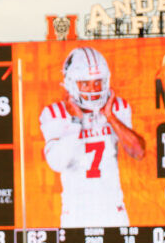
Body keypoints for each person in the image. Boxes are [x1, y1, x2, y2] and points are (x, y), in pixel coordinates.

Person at [40, 46, 145, 229]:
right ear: (72, 83)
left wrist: (110, 117)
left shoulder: (117, 107)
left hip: (113, 211)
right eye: (85, 84)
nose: (93, 89)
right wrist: (76, 122)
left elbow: (138, 151)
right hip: (77, 213)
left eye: (98, 82)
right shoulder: (55, 113)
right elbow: (57, 163)